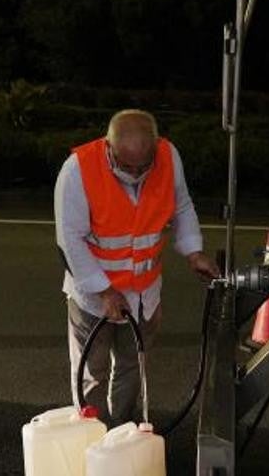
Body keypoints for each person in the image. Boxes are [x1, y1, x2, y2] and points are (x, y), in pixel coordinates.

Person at [55, 109, 220, 426]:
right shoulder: (77, 171)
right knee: (91, 371)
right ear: (108, 146)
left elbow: (181, 205)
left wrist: (193, 253)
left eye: (142, 165)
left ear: (155, 148)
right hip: (92, 297)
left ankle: (122, 432)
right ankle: (91, 436)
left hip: (144, 294)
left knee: (132, 366)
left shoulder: (168, 158)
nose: (134, 173)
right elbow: (69, 240)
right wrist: (104, 290)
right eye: (125, 165)